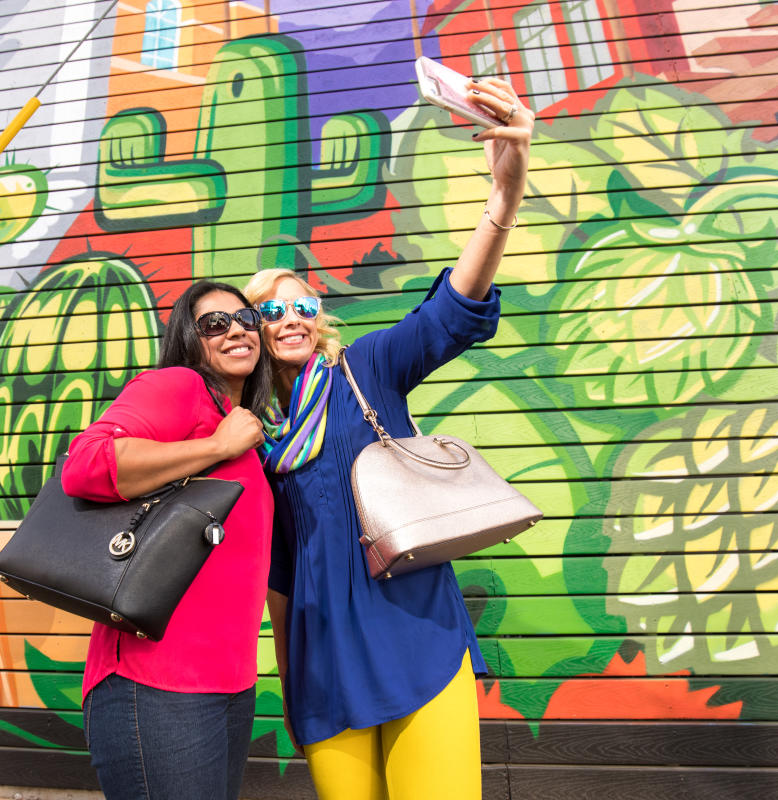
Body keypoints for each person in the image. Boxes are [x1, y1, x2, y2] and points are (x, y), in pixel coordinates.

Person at [243, 77, 534, 799]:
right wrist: (289, 680)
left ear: (319, 315)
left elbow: (451, 312)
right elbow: (278, 579)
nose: (290, 317)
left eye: (303, 303)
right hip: (322, 657)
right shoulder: (254, 439)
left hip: (413, 632)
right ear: (252, 331)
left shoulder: (366, 369)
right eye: (270, 310)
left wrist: (502, 200)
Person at [60, 281, 274, 800]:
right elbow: (85, 464)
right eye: (214, 324)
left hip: (229, 685)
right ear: (188, 339)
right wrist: (216, 446)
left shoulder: (242, 428)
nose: (235, 330)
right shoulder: (180, 387)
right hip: (155, 684)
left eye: (245, 318)